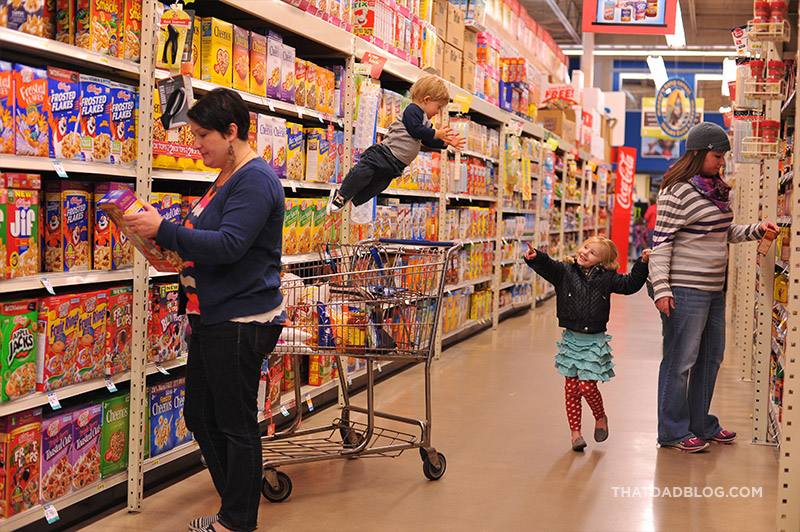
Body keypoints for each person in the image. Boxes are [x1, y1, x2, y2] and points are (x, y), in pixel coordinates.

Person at [124, 88, 285, 532]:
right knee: (200, 414)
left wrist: (166, 230)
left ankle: (235, 521)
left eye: (202, 137)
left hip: (239, 319)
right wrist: (159, 240)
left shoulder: (255, 180)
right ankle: (234, 502)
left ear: (231, 132)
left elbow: (231, 245)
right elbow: (206, 236)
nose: (196, 147)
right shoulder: (227, 175)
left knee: (235, 423)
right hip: (213, 316)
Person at [649, 121, 779, 453]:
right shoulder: (676, 191)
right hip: (685, 290)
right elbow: (661, 243)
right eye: (717, 156)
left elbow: (720, 233)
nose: (721, 162)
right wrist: (662, 288)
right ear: (700, 153)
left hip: (713, 290)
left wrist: (754, 230)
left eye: (722, 157)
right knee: (681, 360)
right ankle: (672, 431)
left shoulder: (716, 190)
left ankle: (699, 422)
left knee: (711, 357)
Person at [524, 237, 650, 451]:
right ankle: (575, 434)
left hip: (593, 340)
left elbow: (629, 285)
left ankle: (600, 417)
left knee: (586, 386)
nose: (584, 253)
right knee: (571, 389)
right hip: (572, 339)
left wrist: (642, 264)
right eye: (585, 248)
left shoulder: (607, 278)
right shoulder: (565, 271)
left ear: (602, 262)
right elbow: (548, 266)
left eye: (592, 253)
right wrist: (537, 257)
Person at [327, 75, 464, 213]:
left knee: (378, 186)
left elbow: (427, 139)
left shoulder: (425, 121)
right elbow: (416, 130)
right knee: (364, 171)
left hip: (396, 165)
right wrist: (436, 133)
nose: (437, 112)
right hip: (384, 153)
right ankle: (342, 195)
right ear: (427, 100)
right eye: (438, 107)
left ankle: (353, 199)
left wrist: (446, 143)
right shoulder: (413, 110)